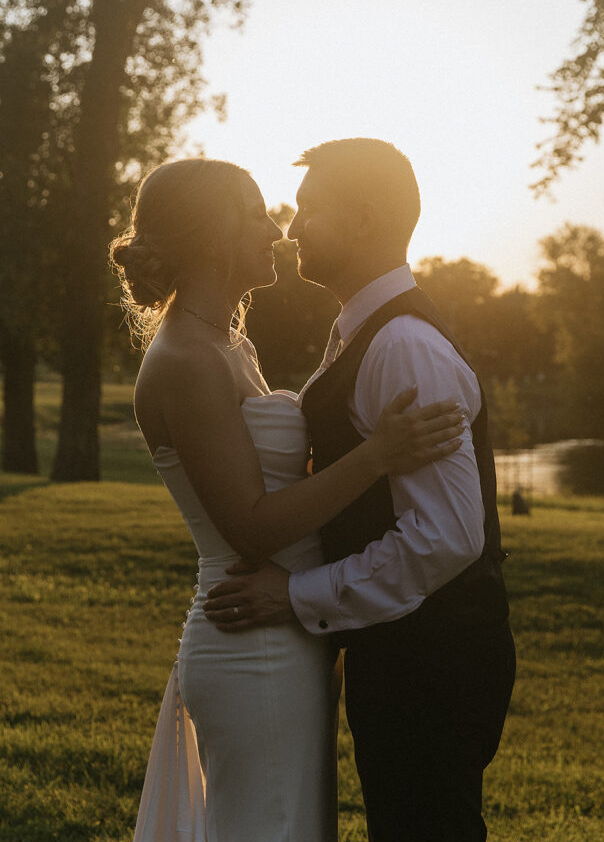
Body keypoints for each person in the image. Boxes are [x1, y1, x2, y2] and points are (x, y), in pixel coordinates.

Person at [109, 157, 465, 842]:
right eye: (254, 212)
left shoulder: (228, 344)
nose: (276, 228)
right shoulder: (185, 359)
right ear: (213, 235)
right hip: (251, 647)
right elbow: (250, 527)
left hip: (286, 638)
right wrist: (376, 456)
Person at [205, 138, 516, 842]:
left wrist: (296, 596)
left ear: (367, 218)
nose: (289, 229)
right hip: (404, 650)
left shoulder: (403, 344)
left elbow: (446, 538)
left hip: (433, 660)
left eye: (310, 210)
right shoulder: (361, 331)